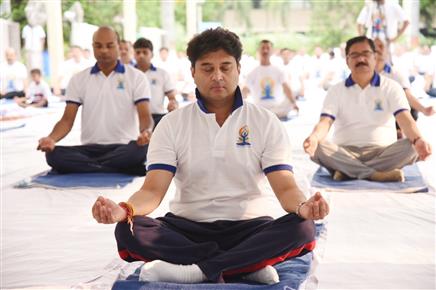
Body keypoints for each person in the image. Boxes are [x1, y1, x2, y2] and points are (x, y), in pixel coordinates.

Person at [92, 27, 329, 285]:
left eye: (225, 67)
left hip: (249, 228)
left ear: (238, 69)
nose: (217, 76)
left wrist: (303, 207)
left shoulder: (265, 122)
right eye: (207, 68)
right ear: (193, 72)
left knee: (303, 228)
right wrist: (123, 209)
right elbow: (152, 191)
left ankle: (198, 269)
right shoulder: (173, 123)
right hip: (187, 228)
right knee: (128, 229)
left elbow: (285, 187)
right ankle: (243, 266)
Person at [303, 36, 432, 182]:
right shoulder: (336, 90)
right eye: (355, 55)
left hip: (382, 152)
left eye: (366, 54)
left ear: (375, 57)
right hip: (344, 151)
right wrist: (314, 137)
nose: (361, 59)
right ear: (347, 60)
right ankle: (375, 174)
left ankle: (347, 171)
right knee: (318, 147)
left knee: (412, 146)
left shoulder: (392, 87)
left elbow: (406, 121)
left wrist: (418, 140)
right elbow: (325, 122)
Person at [37, 26, 153, 176]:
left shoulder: (136, 77)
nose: (104, 50)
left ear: (119, 46)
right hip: (89, 149)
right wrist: (51, 139)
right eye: (98, 46)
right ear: (92, 47)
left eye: (109, 45)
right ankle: (115, 167)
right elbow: (66, 121)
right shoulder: (79, 79)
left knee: (140, 150)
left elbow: (145, 116)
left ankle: (93, 166)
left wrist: (146, 132)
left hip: (124, 147)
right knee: (53, 155)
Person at [373, 38, 435, 138]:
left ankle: (398, 130)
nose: (377, 50)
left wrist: (424, 109)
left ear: (387, 51)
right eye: (373, 47)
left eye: (381, 46)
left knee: (409, 110)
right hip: (372, 115)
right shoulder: (362, 74)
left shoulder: (396, 73)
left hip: (391, 114)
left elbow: (407, 95)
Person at [243, 40, 298, 119]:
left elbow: (286, 88)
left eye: (268, 48)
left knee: (291, 98)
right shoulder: (252, 72)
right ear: (259, 50)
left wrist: (294, 103)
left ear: (272, 51)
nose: (265, 50)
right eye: (263, 48)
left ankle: (269, 116)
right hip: (259, 109)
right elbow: (245, 89)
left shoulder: (279, 70)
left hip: (277, 109)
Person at [133, 38, 178, 129]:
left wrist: (173, 104)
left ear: (152, 54)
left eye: (145, 52)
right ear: (134, 55)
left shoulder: (162, 74)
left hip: (158, 118)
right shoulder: (128, 75)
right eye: (138, 52)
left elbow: (172, 98)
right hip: (133, 119)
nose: (141, 55)